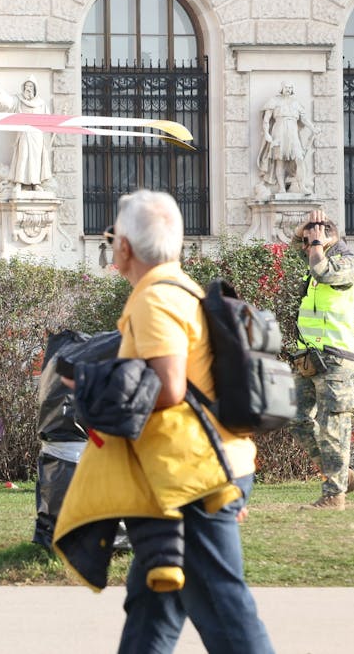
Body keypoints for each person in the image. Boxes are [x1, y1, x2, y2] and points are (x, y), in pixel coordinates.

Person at [54, 190, 272, 654]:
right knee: (151, 609)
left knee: (225, 613)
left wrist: (93, 386)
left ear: (125, 247)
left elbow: (170, 386)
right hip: (198, 473)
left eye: (114, 237)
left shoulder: (153, 298)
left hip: (193, 481)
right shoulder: (183, 289)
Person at [288, 209, 354, 509]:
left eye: (312, 242)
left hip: (335, 358)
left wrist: (317, 242)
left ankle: (334, 495)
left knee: (333, 424)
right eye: (307, 243)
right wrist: (304, 229)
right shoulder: (314, 255)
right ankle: (343, 474)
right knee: (297, 419)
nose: (307, 248)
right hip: (309, 357)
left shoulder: (348, 263)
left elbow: (323, 271)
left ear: (328, 239)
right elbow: (294, 247)